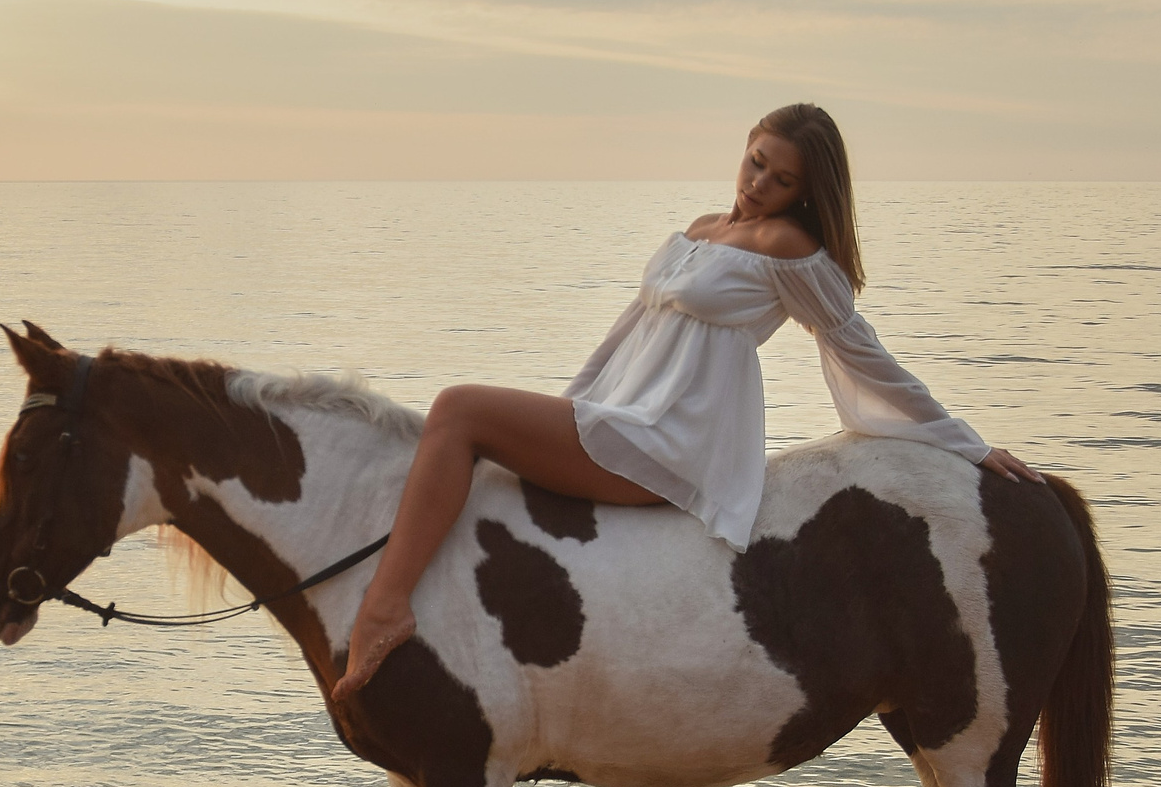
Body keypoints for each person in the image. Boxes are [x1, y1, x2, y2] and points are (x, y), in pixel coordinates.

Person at [332, 102, 1046, 700]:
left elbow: (859, 350)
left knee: (458, 410)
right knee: (472, 433)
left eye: (782, 177)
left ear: (805, 192)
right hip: (617, 417)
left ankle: (386, 606)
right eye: (756, 160)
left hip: (665, 440)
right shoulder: (705, 228)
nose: (759, 182)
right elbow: (632, 331)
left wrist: (967, 444)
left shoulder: (787, 248)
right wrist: (574, 405)